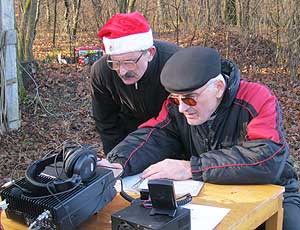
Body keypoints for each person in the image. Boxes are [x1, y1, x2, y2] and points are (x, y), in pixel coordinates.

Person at [98, 47, 300, 229]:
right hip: (213, 193)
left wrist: (191, 168)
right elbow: (153, 135)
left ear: (219, 87)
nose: (182, 108)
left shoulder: (256, 98)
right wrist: (119, 162)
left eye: (189, 98)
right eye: (175, 98)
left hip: (277, 190)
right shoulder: (177, 107)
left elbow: (266, 159)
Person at [91, 11, 180, 155]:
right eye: (116, 62)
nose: (122, 71)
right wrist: (116, 159)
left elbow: (187, 119)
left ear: (150, 53)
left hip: (173, 135)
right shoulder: (102, 71)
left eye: (129, 62)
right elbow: (106, 123)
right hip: (130, 137)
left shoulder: (175, 63)